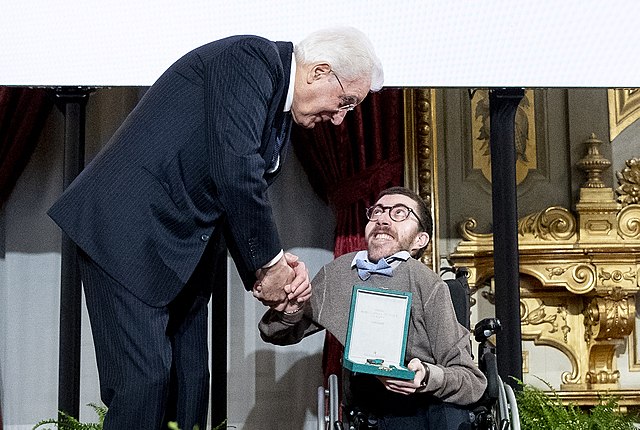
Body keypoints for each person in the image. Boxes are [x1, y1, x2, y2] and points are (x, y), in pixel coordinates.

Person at [47, 27, 384, 430]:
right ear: (320, 72)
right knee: (144, 382)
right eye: (346, 101)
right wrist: (271, 263)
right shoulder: (251, 59)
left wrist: (266, 271)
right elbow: (236, 171)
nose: (341, 117)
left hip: (180, 250)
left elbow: (231, 196)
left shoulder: (279, 113)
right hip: (126, 234)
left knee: (192, 383)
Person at [259, 186, 487, 430]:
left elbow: (472, 381)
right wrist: (292, 306)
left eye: (399, 213)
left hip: (426, 404)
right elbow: (276, 333)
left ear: (420, 239)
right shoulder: (338, 274)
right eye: (377, 211)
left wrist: (427, 376)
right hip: (368, 404)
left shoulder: (430, 285)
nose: (383, 219)